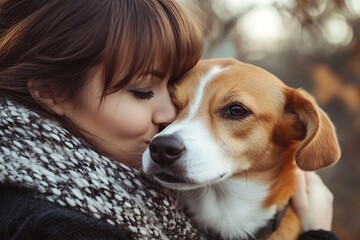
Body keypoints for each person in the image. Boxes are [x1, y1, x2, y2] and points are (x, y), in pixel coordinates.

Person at [0, 0, 339, 239]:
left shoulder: (148, 209)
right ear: (52, 93)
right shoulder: (56, 223)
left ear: (294, 127)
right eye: (143, 91)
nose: (169, 123)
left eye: (235, 111)